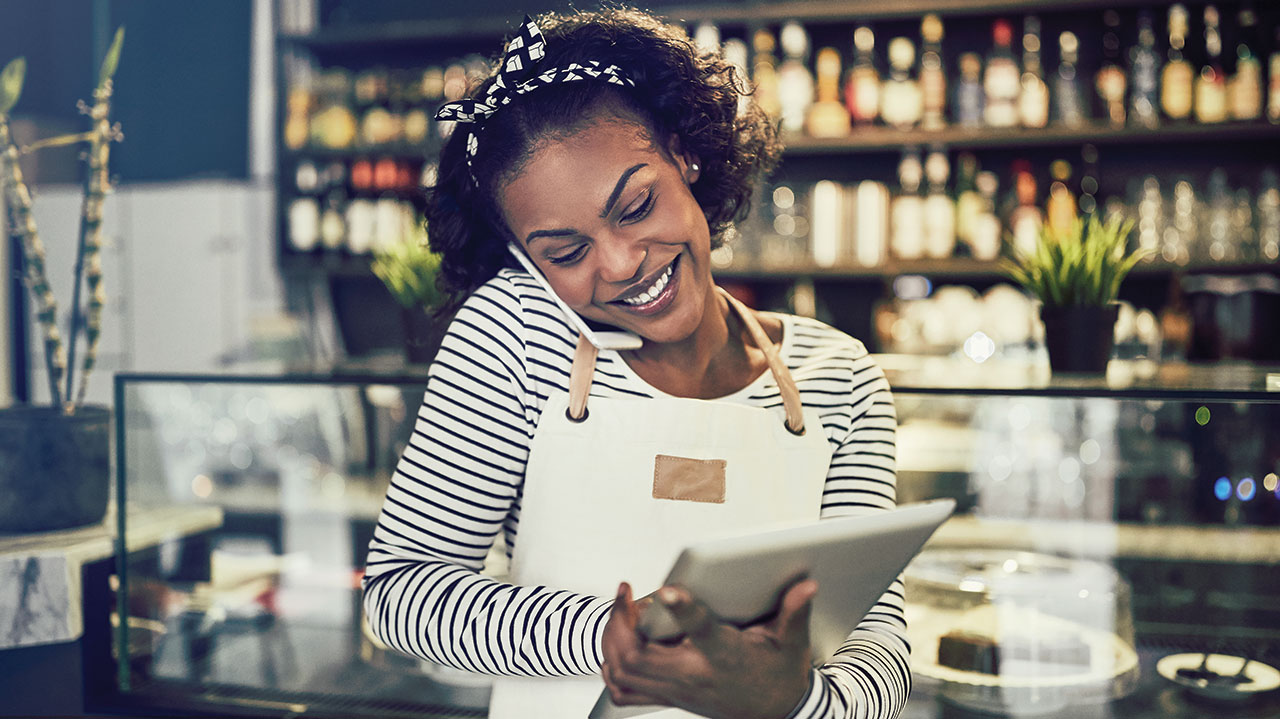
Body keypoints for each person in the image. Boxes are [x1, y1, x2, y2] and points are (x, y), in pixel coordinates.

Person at [362, 8, 905, 719]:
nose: (619, 263)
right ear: (527, 261)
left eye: (636, 204)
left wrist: (793, 700)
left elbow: (880, 650)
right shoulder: (517, 335)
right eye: (565, 252)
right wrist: (609, 635)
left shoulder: (842, 379)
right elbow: (402, 592)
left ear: (685, 155)